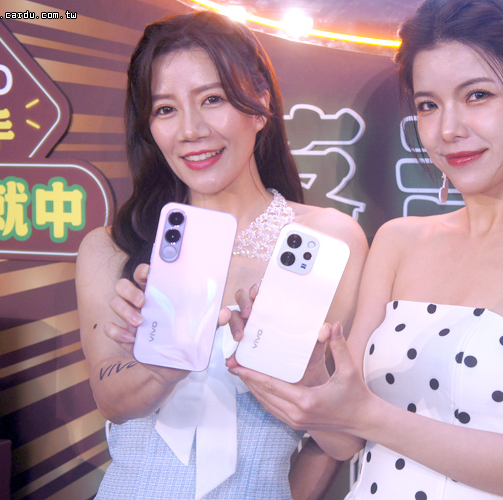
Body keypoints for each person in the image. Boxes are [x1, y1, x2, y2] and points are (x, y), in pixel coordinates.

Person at [227, 0, 503, 498]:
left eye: (477, 95)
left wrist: (369, 415)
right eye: (427, 105)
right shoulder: (399, 240)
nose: (448, 129)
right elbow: (344, 441)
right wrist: (307, 375)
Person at [75, 10, 368, 500]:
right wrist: (163, 361)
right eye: (165, 109)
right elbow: (111, 401)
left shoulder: (327, 241)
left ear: (260, 103)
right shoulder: (113, 248)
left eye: (212, 99)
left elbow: (340, 442)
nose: (190, 130)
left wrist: (301, 375)